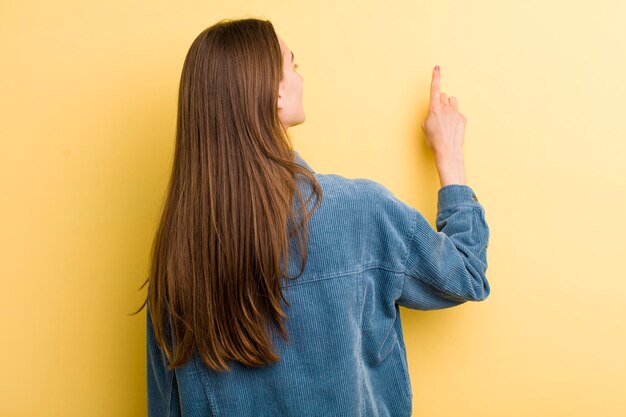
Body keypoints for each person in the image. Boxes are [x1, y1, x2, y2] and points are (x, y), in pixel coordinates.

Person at [133, 17, 491, 417]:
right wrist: (450, 155)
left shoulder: (176, 265)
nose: (301, 78)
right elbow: (465, 274)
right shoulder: (358, 212)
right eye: (293, 65)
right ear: (274, 95)